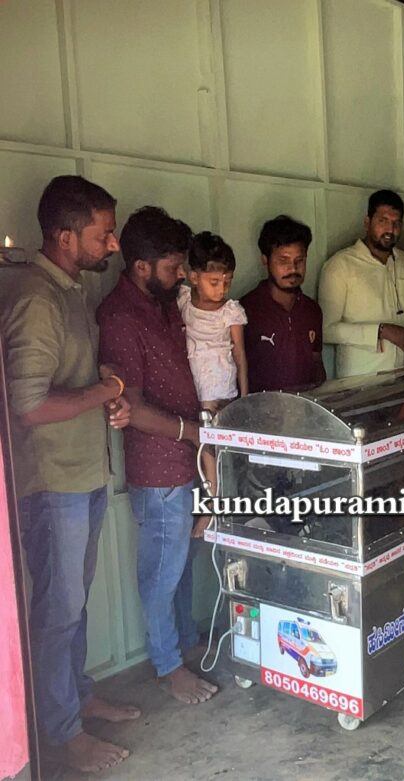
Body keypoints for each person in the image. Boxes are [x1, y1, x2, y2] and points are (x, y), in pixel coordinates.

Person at [0, 175, 137, 773]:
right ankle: (58, 731)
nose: (113, 245)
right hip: (53, 482)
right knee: (57, 612)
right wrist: (104, 390)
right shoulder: (37, 298)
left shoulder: (70, 290)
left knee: (72, 605)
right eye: (104, 234)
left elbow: (69, 382)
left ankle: (76, 701)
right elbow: (28, 406)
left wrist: (103, 391)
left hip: (82, 475)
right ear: (65, 236)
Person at [97, 207, 218, 707]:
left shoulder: (163, 303)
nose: (182, 276)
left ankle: (184, 644)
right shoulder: (120, 316)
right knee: (162, 575)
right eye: (172, 268)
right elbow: (131, 408)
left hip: (184, 459)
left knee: (182, 565)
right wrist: (192, 432)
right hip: (158, 468)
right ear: (141, 266)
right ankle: (168, 666)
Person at [318, 189, 404, 378]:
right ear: (367, 222)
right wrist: (382, 331)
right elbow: (326, 330)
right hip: (359, 382)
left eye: (396, 223)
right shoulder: (340, 265)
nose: (390, 229)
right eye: (383, 221)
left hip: (398, 379)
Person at [178, 231, 248, 534]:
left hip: (219, 384)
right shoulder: (183, 300)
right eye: (215, 282)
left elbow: (240, 355)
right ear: (194, 277)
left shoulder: (230, 311)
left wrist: (245, 398)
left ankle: (213, 504)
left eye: (227, 282)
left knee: (212, 444)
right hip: (190, 383)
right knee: (199, 443)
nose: (222, 289)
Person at [242, 215, 325, 392]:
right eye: (283, 261)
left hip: (304, 406)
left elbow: (316, 362)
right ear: (265, 260)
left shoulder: (312, 310)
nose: (293, 269)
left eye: (299, 260)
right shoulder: (246, 310)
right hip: (261, 407)